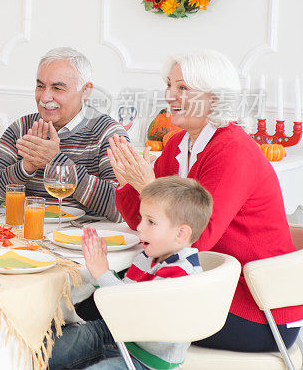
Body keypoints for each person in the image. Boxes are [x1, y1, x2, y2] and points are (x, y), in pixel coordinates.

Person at [108, 50, 302, 352]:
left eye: (182, 88)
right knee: (103, 302)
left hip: (257, 308)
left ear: (215, 99)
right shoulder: (176, 145)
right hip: (201, 284)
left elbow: (197, 238)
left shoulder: (232, 149)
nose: (170, 95)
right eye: (169, 85)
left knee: (111, 311)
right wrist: (127, 181)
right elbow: (146, 227)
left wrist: (148, 184)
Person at [49, 176, 213, 370]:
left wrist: (101, 273)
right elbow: (127, 290)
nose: (139, 227)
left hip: (146, 359)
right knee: (50, 349)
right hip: (116, 334)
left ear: (181, 234)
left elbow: (131, 309)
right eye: (141, 218)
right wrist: (101, 270)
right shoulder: (149, 255)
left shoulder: (181, 274)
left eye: (151, 222)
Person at [0, 47, 127, 221]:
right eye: (40, 86)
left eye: (57, 88)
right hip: (25, 237)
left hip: (80, 240)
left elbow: (121, 208)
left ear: (85, 91)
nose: (44, 98)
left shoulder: (109, 134)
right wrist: (25, 167)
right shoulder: (22, 128)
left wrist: (55, 161)